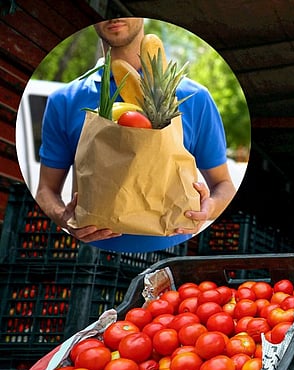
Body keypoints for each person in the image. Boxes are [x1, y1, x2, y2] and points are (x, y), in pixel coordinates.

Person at [35, 17, 236, 253]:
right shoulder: (65, 100)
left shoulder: (194, 98)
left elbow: (224, 185)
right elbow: (45, 190)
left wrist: (208, 208)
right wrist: (63, 217)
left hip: (172, 250)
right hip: (90, 254)